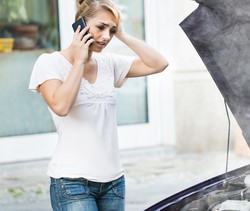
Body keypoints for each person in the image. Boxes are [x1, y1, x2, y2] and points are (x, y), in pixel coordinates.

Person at [28, 0, 168, 210]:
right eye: (100, 27)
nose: (106, 37)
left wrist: (123, 34)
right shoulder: (49, 63)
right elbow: (61, 106)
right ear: (80, 25)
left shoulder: (109, 63)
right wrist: (79, 61)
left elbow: (159, 63)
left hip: (113, 183)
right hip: (72, 183)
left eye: (111, 30)